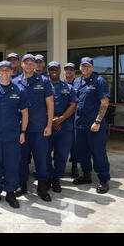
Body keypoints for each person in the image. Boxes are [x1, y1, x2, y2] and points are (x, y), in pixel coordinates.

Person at [0, 61, 29, 208]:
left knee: (12, 166)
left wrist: (23, 132)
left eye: (7, 70)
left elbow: (25, 113)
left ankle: (10, 193)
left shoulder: (19, 90)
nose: (4, 72)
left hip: (12, 137)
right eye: (1, 70)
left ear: (11, 71)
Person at [14, 54, 54, 202]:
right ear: (22, 65)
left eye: (32, 63)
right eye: (27, 63)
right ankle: (22, 185)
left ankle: (42, 188)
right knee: (21, 159)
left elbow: (50, 104)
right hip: (21, 130)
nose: (29, 65)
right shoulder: (15, 81)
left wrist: (49, 125)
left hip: (39, 129)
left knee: (41, 159)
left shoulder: (44, 81)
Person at [72, 57, 111, 194]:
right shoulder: (77, 81)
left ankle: (103, 179)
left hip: (94, 125)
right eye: (83, 66)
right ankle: (86, 175)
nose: (85, 68)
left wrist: (98, 121)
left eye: (87, 66)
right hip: (79, 124)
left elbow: (104, 103)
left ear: (92, 68)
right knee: (82, 152)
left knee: (98, 152)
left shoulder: (99, 81)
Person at [46, 61, 78, 192]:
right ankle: (47, 176)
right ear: (48, 71)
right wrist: (52, 121)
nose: (54, 71)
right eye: (51, 69)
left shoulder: (68, 87)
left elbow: (73, 104)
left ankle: (56, 179)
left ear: (60, 71)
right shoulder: (43, 86)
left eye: (56, 69)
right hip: (47, 126)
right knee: (45, 153)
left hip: (64, 126)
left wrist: (61, 119)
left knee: (61, 154)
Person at [63, 62, 80, 178]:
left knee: (75, 144)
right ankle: (59, 168)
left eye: (71, 70)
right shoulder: (60, 84)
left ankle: (74, 166)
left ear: (75, 72)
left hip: (76, 118)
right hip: (63, 118)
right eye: (67, 69)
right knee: (61, 146)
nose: (69, 71)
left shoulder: (79, 84)